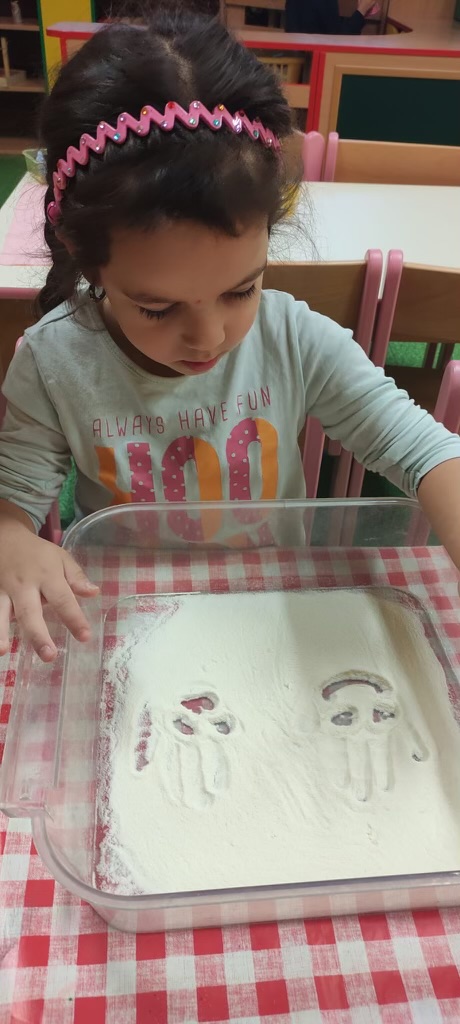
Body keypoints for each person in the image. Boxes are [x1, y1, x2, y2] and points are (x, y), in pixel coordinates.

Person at [0, 8, 459, 663]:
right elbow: (12, 504)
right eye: (157, 308)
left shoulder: (294, 340)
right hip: (128, 615)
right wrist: (12, 539)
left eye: (241, 290)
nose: (209, 337)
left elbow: (426, 453)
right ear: (84, 256)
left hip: (272, 603)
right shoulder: (55, 361)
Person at [285, 0, 379, 35]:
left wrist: (361, 13)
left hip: (298, 56)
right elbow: (337, 38)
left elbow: (329, 25)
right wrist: (362, 10)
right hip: (310, 62)